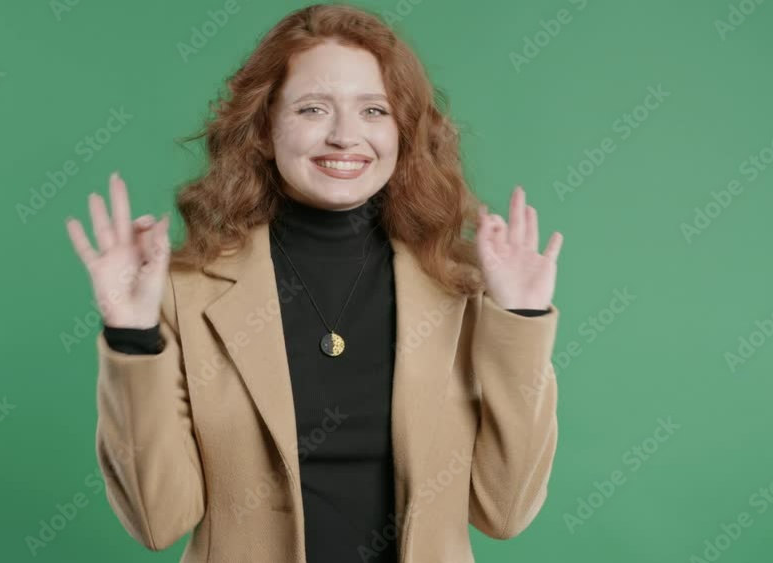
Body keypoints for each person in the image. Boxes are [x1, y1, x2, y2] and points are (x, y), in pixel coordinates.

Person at [65, 4, 563, 562]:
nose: (346, 136)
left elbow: (505, 511)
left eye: (373, 109)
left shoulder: (460, 287)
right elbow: (158, 522)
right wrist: (132, 334)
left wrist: (519, 320)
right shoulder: (187, 291)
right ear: (264, 126)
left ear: (402, 129)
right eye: (313, 108)